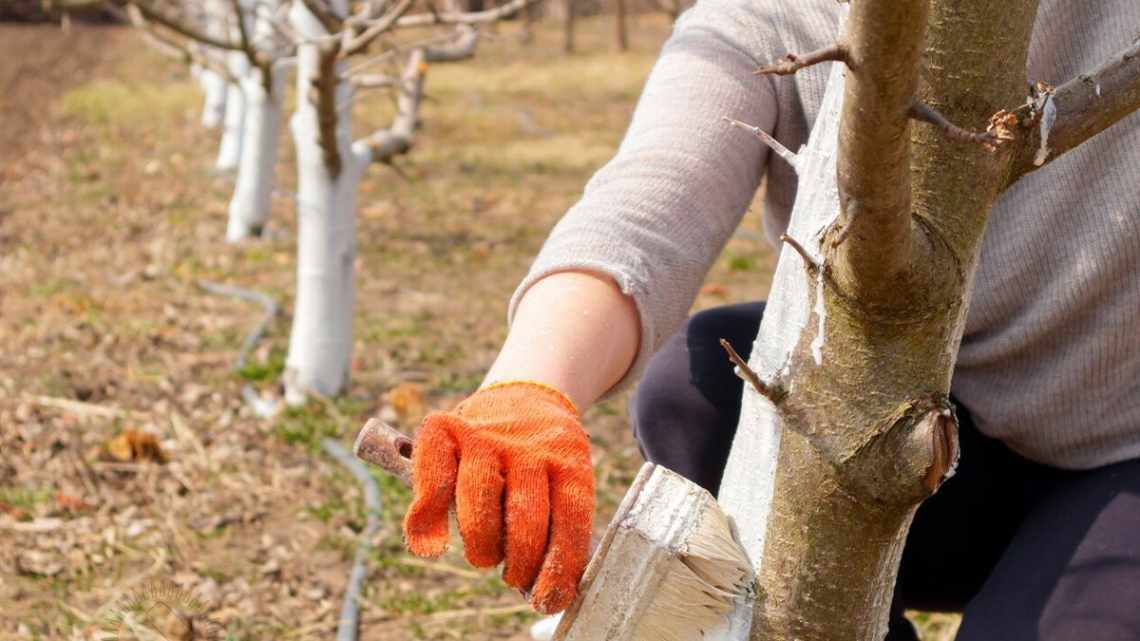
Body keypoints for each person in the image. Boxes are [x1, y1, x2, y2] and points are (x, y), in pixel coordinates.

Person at [399, 0, 1140, 638]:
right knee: (695, 392)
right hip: (929, 436)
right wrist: (528, 389)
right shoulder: (783, 11)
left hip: (1121, 452)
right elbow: (652, 198)